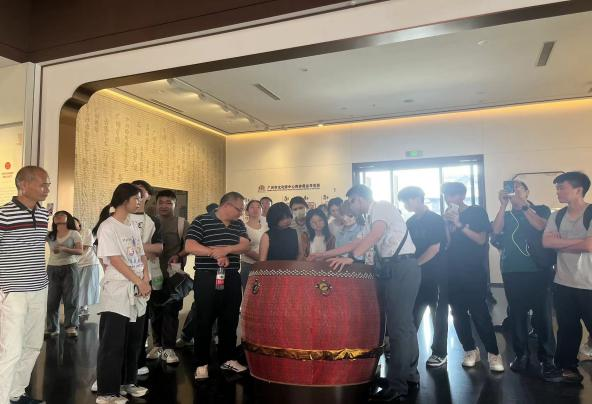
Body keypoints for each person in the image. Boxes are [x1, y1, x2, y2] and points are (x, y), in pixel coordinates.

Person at [311, 184, 420, 403]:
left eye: (350, 201)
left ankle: (397, 385)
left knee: (398, 328)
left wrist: (353, 257)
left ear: (358, 199)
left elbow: (375, 235)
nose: (349, 207)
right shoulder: (370, 217)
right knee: (404, 325)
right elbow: (357, 241)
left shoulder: (380, 206)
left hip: (402, 267)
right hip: (394, 268)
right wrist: (324, 255)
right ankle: (408, 375)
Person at [491, 180, 561, 381]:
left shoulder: (541, 209)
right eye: (511, 188)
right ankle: (521, 355)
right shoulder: (506, 214)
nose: (514, 191)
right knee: (517, 315)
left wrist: (523, 205)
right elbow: (496, 231)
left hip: (538, 270)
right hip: (511, 271)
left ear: (527, 192)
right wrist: (503, 205)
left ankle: (547, 359)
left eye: (519, 188)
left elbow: (541, 226)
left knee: (543, 315)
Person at [94, 183, 151, 403]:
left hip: (137, 289)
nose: (140, 202)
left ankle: (128, 382)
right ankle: (107, 392)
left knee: (134, 341)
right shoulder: (108, 226)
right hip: (118, 290)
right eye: (136, 198)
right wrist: (138, 281)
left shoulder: (132, 224)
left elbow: (141, 254)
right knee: (113, 343)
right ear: (124, 200)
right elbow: (115, 260)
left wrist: (145, 277)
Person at [185, 192, 250, 380]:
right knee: (204, 319)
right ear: (227, 205)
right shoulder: (202, 220)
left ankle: (227, 358)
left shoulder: (238, 224)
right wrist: (214, 253)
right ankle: (201, 362)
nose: (241, 213)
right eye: (239, 209)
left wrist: (226, 250)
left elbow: (245, 245)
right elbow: (190, 245)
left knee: (230, 319)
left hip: (231, 277)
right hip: (207, 277)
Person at [0, 166, 50, 404]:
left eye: (48, 184)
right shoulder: (4, 214)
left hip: (39, 287)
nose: (47, 189)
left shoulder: (43, 214)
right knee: (11, 349)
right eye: (43, 184)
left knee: (33, 345)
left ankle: (15, 394)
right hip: (13, 291)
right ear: (23, 185)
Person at [442, 182, 504, 372]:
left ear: (462, 195)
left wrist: (459, 223)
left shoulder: (476, 211)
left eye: (453, 195)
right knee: (457, 313)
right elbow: (447, 244)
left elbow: (480, 239)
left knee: (479, 312)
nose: (450, 199)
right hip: (451, 272)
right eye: (447, 196)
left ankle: (493, 353)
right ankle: (470, 350)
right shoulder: (447, 216)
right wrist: (447, 224)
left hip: (473, 271)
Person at [543, 172, 592, 383]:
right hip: (563, 282)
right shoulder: (557, 216)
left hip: (589, 283)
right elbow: (546, 242)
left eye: (562, 187)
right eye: (557, 188)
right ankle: (567, 367)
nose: (558, 192)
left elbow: (589, 246)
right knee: (567, 329)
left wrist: (561, 243)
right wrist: (580, 242)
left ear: (578, 190)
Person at [397, 186, 449, 369]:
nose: (406, 204)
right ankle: (408, 351)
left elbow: (435, 248)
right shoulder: (410, 222)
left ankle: (440, 353)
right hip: (416, 275)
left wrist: (415, 265)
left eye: (408, 199)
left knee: (438, 315)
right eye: (404, 201)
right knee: (413, 313)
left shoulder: (435, 219)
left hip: (436, 274)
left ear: (419, 198)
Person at [149, 189, 190, 365]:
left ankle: (169, 348)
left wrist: (179, 255)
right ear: (156, 204)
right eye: (161, 202)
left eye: (168, 203)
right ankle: (158, 345)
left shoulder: (182, 223)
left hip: (173, 276)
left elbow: (189, 245)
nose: (164, 206)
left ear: (175, 204)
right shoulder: (150, 222)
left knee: (171, 312)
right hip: (152, 275)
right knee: (155, 312)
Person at [128, 180, 163, 371]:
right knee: (120, 321)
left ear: (148, 196)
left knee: (141, 319)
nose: (138, 196)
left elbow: (158, 248)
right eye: (134, 191)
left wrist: (133, 247)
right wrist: (143, 248)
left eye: (142, 192)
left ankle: (138, 361)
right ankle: (117, 368)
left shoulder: (152, 221)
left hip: (144, 275)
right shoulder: (118, 216)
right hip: (120, 278)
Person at [176, 203, 220, 348]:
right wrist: (179, 255)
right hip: (204, 272)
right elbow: (190, 246)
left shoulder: (230, 226)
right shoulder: (201, 223)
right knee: (199, 305)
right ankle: (187, 336)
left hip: (222, 273)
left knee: (218, 304)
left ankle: (212, 335)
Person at [45, 210, 83, 338]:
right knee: (51, 300)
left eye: (62, 217)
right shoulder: (50, 235)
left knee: (71, 299)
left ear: (68, 220)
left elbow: (80, 251)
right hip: (52, 268)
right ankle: (52, 328)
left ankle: (71, 326)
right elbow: (34, 238)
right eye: (57, 219)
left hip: (70, 267)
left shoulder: (74, 234)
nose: (59, 219)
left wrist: (64, 249)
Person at [74, 217, 101, 319]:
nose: (73, 224)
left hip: (89, 262)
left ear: (79, 223)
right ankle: (79, 307)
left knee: (86, 286)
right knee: (77, 286)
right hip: (76, 263)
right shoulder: (71, 233)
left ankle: (83, 307)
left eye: (75, 222)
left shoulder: (86, 231)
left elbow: (85, 247)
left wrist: (69, 249)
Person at [241, 200, 268, 290]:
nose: (255, 209)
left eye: (258, 207)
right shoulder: (243, 227)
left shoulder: (266, 227)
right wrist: (261, 259)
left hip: (263, 266)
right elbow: (245, 249)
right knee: (249, 294)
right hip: (249, 265)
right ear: (247, 211)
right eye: (252, 207)